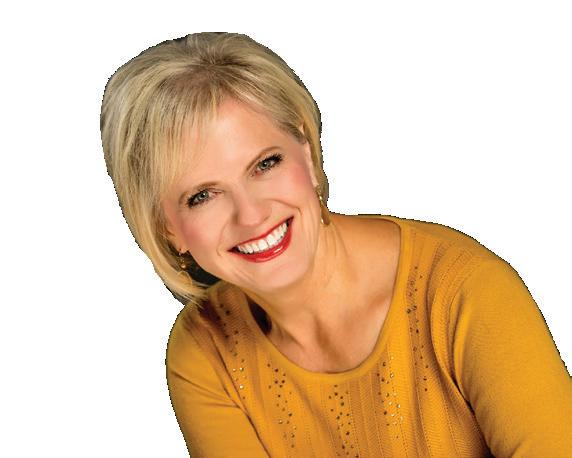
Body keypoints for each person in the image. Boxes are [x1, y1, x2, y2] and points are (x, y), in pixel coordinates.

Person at [100, 32, 572, 457]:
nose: (252, 215)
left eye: (265, 164)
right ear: (167, 228)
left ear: (305, 152)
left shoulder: (464, 292)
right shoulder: (206, 353)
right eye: (203, 196)